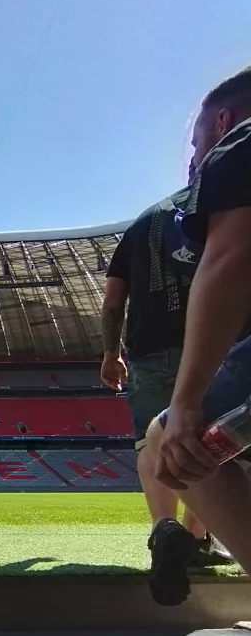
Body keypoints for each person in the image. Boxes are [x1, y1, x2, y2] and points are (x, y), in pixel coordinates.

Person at [139, 65, 251, 636]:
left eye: (195, 144)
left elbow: (231, 258)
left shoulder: (239, 144)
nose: (196, 158)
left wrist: (183, 403)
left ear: (222, 122)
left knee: (170, 446)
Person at [101, 175, 230, 605]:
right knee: (210, 444)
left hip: (149, 350)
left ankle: (164, 528)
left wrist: (109, 353)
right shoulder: (223, 206)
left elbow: (113, 299)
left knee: (151, 443)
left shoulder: (144, 222)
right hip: (212, 346)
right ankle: (198, 537)